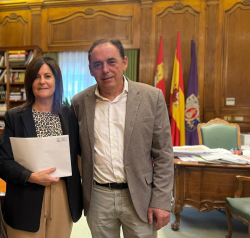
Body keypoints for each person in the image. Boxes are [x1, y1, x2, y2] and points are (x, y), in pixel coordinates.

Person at [71, 39, 174, 238]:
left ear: (124, 62)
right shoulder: (79, 103)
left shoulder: (151, 97)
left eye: (112, 62)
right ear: (91, 70)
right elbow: (75, 149)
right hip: (98, 197)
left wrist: (161, 201)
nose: (105, 70)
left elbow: (163, 154)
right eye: (97, 65)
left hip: (140, 196)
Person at [0, 56, 83, 238]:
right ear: (30, 82)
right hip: (25, 195)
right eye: (36, 77)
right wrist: (31, 176)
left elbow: (79, 154)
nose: (42, 81)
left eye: (48, 76)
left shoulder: (69, 115)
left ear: (56, 81)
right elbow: (2, 162)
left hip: (62, 195)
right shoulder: (15, 116)